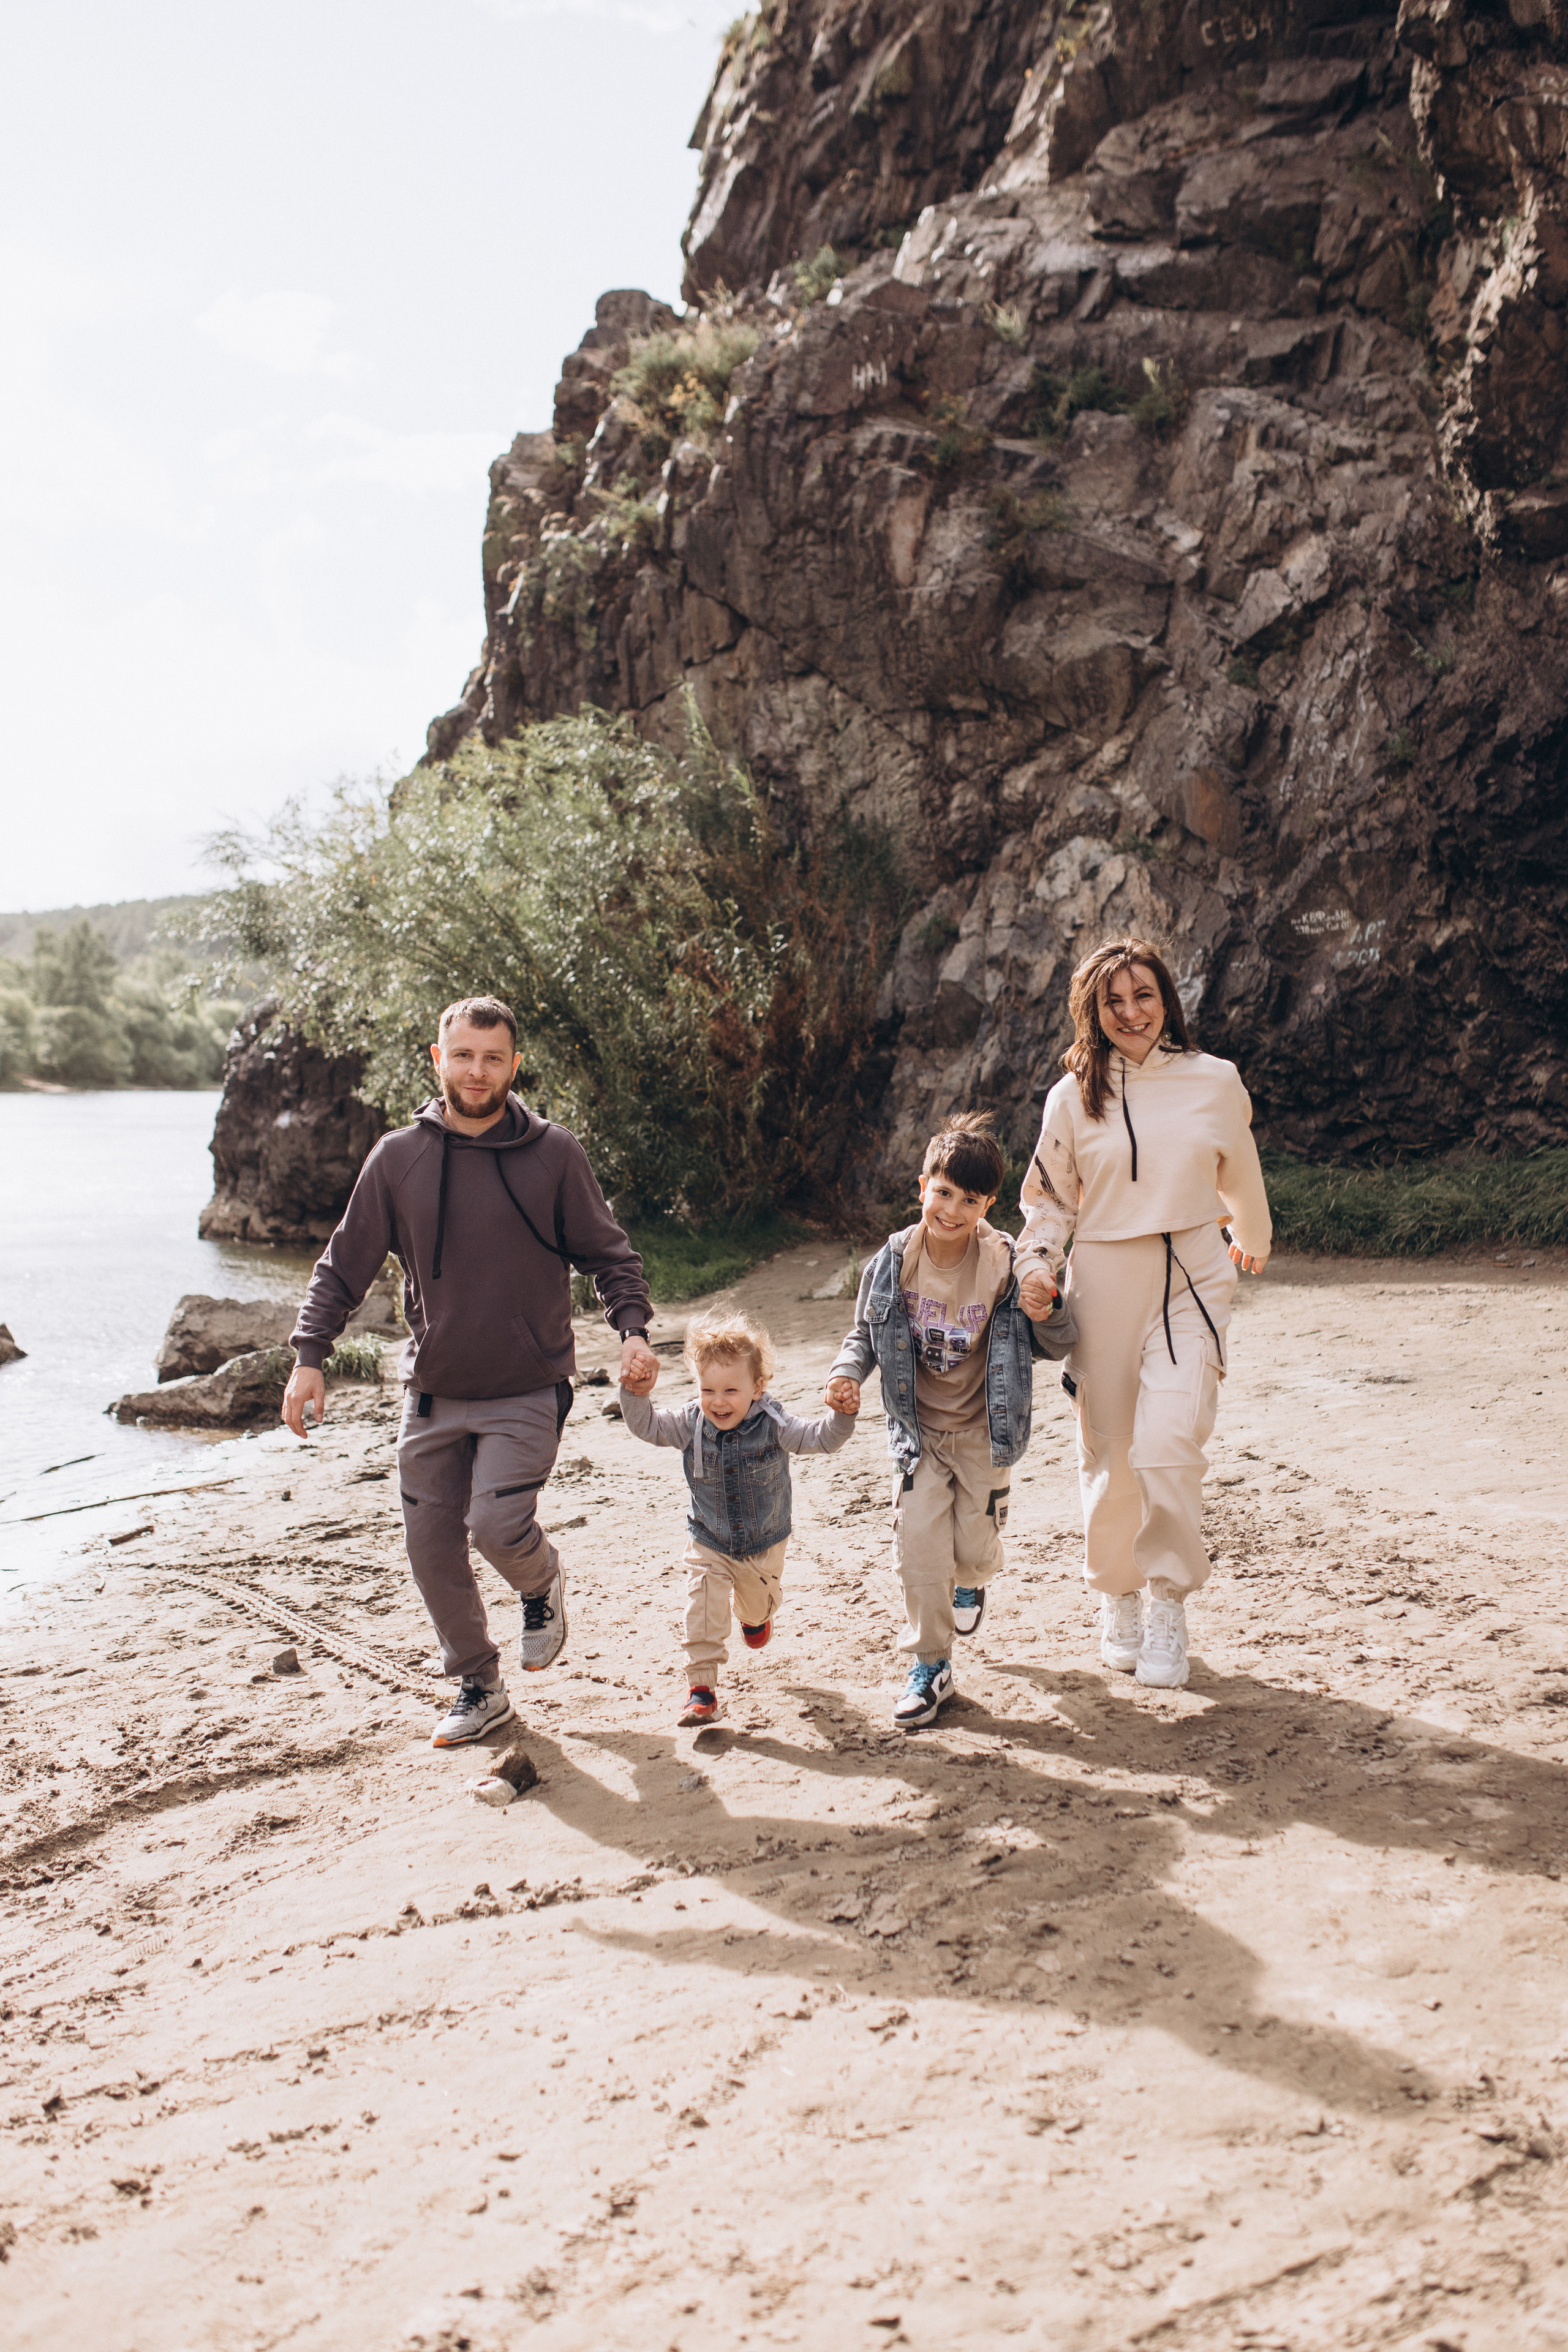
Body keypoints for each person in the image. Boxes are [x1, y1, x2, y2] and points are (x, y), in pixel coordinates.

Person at [281, 995, 658, 1748]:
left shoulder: (555, 1154)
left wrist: (633, 1332)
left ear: (514, 1066)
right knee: (429, 1544)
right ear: (437, 1058)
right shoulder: (398, 1158)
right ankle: (478, 1684)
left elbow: (609, 1255)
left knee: (494, 1524)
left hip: (529, 1380)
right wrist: (309, 1358)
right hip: (433, 1388)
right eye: (463, 1056)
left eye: (493, 1058)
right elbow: (342, 1267)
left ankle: (539, 1577)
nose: (477, 1071)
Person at [1014, 938, 1272, 1692]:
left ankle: (1167, 1601)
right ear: (1093, 1013)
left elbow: (1240, 1170)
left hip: (1192, 1273)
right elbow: (1051, 1200)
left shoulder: (1214, 1080)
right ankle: (1118, 1597)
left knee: (1169, 1442)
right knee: (1111, 1454)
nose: (1131, 1013)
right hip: (1103, 1282)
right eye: (1113, 1002)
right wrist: (1035, 1263)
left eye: (1144, 997)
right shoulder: (1071, 1096)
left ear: (1168, 1001)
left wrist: (1249, 1236)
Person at [825, 1114, 1077, 1730]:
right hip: (918, 1438)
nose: (951, 1209)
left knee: (972, 1552)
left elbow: (1059, 1341)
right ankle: (931, 1665)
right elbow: (864, 1332)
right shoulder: (892, 1261)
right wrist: (844, 1374)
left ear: (987, 1204)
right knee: (918, 1551)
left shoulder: (1002, 1264)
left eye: (969, 1200)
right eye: (942, 1193)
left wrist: (1046, 1303)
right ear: (922, 1188)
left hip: (983, 1435)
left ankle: (973, 1582)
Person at [620, 1310, 857, 1725]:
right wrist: (636, 1394)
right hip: (709, 1538)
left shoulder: (775, 1423)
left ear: (758, 1387)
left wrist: (842, 1415)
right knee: (703, 1601)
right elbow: (647, 1427)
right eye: (708, 1389)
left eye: (731, 1390)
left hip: (764, 1542)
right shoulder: (689, 1422)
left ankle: (756, 1616)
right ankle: (701, 1689)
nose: (718, 1401)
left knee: (756, 1604)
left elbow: (821, 1438)